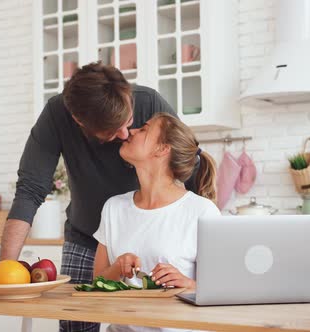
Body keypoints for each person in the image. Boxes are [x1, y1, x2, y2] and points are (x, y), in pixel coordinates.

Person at [0, 62, 197, 332]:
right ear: (79, 121)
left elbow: (188, 163)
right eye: (114, 131)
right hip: (85, 238)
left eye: (130, 122)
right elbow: (30, 190)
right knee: (75, 326)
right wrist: (4, 273)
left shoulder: (149, 102)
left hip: (146, 240)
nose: (126, 134)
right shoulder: (57, 115)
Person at [93, 113, 220, 332]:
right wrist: (117, 268)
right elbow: (97, 284)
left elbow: (222, 293)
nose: (130, 131)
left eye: (143, 129)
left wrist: (188, 285)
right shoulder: (113, 208)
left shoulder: (202, 211)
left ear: (162, 149)